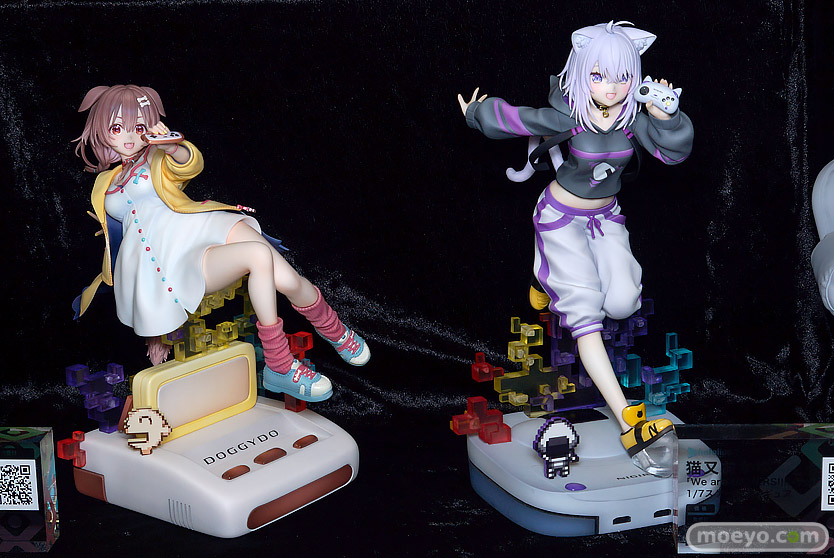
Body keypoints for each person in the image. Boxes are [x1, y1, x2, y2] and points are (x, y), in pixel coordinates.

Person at [458, 21, 693, 475]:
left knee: (623, 303)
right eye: (599, 75)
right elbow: (515, 119)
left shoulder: (633, 120)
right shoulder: (569, 115)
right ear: (582, 73)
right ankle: (628, 419)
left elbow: (674, 154)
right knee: (586, 316)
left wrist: (667, 117)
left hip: (607, 219)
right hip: (561, 219)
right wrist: (476, 113)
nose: (612, 87)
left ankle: (543, 278)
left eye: (622, 76)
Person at [73, 84, 369, 402]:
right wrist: (155, 327)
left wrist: (172, 147)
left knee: (288, 279)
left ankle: (332, 329)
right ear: (102, 130)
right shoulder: (104, 183)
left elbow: (189, 163)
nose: (129, 137)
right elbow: (115, 239)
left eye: (139, 127)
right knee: (259, 256)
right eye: (117, 128)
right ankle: (280, 365)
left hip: (202, 225)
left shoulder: (155, 157)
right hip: (172, 258)